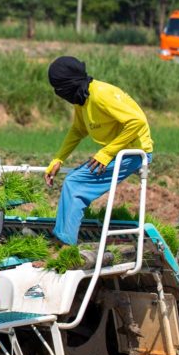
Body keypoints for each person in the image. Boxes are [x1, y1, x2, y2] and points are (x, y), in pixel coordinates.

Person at [44, 56, 154, 247]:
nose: (58, 94)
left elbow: (137, 121)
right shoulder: (82, 99)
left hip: (133, 152)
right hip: (118, 151)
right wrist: (58, 158)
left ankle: (64, 245)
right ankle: (63, 238)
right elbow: (78, 130)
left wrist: (106, 153)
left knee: (74, 183)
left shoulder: (101, 94)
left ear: (69, 85)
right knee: (74, 181)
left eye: (58, 89)